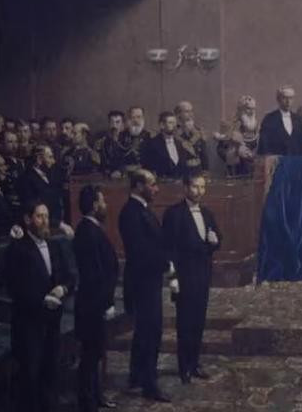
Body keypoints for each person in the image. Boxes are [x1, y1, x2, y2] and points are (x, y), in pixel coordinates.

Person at [4, 201, 75, 412]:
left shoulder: (53, 244)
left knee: (50, 372)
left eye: (46, 216)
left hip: (52, 322)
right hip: (29, 325)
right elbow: (14, 288)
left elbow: (68, 276)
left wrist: (63, 288)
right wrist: (41, 300)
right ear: (27, 220)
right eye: (39, 216)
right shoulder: (17, 249)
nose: (45, 221)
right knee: (30, 377)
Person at [163, 173, 222, 384]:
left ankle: (195, 363)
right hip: (184, 278)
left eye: (203, 187)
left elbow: (217, 239)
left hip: (203, 277)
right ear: (185, 187)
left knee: (198, 323)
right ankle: (184, 367)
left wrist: (214, 242)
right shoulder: (174, 214)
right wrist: (173, 279)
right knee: (185, 325)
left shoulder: (206, 213)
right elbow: (168, 250)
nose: (199, 191)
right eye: (195, 187)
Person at [118, 169, 171, 402]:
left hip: (149, 279)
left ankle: (137, 376)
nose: (156, 188)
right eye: (152, 184)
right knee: (151, 332)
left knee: (145, 331)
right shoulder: (131, 213)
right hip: (142, 280)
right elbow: (141, 251)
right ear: (138, 186)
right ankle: (150, 384)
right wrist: (165, 264)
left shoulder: (142, 210)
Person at [73, 185, 119, 412]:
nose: (105, 205)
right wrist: (106, 302)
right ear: (94, 205)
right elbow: (94, 274)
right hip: (92, 305)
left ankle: (96, 396)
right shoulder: (87, 232)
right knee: (90, 356)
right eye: (102, 201)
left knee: (96, 353)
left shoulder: (91, 229)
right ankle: (87, 402)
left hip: (95, 302)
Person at [215, 95, 259, 176]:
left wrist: (252, 155)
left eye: (253, 109)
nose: (251, 112)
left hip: (251, 171)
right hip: (235, 170)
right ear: (241, 110)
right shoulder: (231, 126)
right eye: (248, 109)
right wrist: (235, 151)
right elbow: (221, 149)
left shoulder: (256, 128)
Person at [257, 85, 302, 156]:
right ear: (278, 99)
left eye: (290, 98)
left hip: (295, 163)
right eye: (285, 98)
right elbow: (263, 147)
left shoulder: (298, 120)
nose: (288, 101)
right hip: (276, 163)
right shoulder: (269, 119)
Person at [142, 111, 188, 179]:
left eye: (175, 123)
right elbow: (148, 167)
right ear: (162, 125)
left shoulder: (180, 143)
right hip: (161, 184)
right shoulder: (152, 144)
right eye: (170, 123)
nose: (174, 126)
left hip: (179, 185)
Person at [175, 101, 210, 173]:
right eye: (187, 111)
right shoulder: (174, 132)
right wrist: (185, 131)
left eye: (191, 111)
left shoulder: (198, 130)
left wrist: (206, 170)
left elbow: (204, 153)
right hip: (181, 170)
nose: (191, 114)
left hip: (197, 169)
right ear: (179, 114)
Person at [95, 110, 127, 177]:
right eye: (111, 122)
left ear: (123, 125)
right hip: (106, 176)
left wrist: (121, 171)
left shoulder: (128, 141)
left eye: (117, 122)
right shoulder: (103, 141)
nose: (114, 126)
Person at [120, 106, 151, 172]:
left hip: (144, 172)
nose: (136, 120)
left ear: (143, 118)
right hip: (124, 172)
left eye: (139, 117)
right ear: (129, 119)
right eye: (133, 117)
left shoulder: (150, 136)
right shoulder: (121, 136)